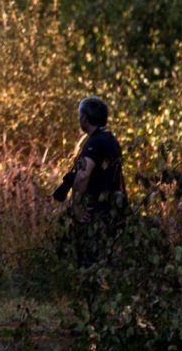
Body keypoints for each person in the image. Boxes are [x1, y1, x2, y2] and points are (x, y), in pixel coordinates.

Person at [60, 96, 127, 264]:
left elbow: (83, 175)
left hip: (95, 213)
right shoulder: (109, 139)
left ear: (84, 118)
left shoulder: (96, 142)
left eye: (79, 116)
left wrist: (76, 206)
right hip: (112, 209)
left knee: (90, 260)